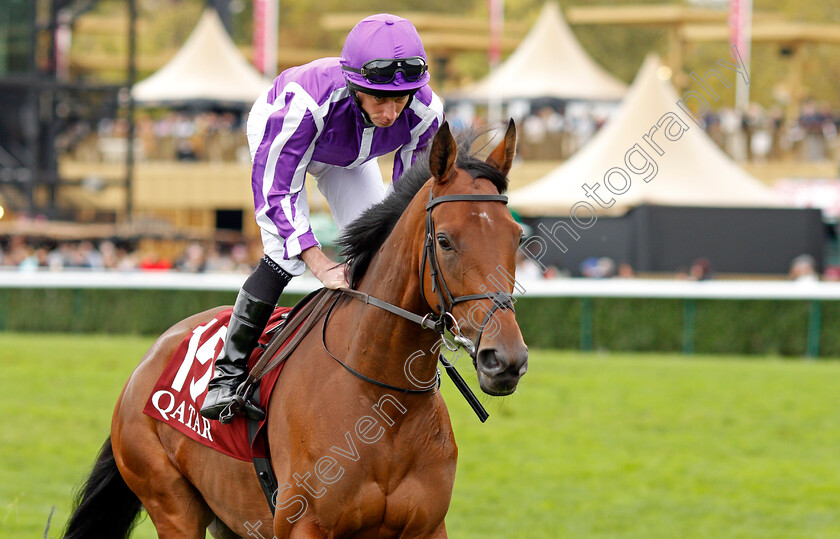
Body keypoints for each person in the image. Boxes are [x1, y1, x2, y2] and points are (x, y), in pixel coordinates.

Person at [200, 14, 444, 421]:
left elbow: (408, 200)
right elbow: (275, 194)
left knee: (382, 247)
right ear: (354, 85)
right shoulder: (303, 103)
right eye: (379, 99)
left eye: (399, 99)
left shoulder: (425, 112)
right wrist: (319, 262)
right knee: (285, 254)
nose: (389, 112)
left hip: (349, 157)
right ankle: (226, 376)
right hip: (287, 139)